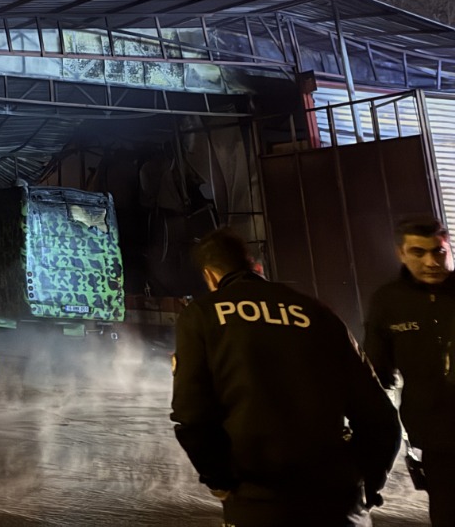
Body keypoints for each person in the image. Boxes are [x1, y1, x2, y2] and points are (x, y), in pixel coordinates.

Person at [171, 227, 399, 527]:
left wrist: (219, 481)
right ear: (254, 265)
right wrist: (369, 483)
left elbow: (192, 416)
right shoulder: (317, 312)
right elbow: (379, 416)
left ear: (210, 276)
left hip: (259, 502)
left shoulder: (202, 315)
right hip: (336, 500)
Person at [364, 215, 455, 525]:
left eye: (439, 251)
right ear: (401, 253)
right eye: (419, 252)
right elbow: (378, 371)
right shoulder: (387, 302)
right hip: (437, 436)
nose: (431, 261)